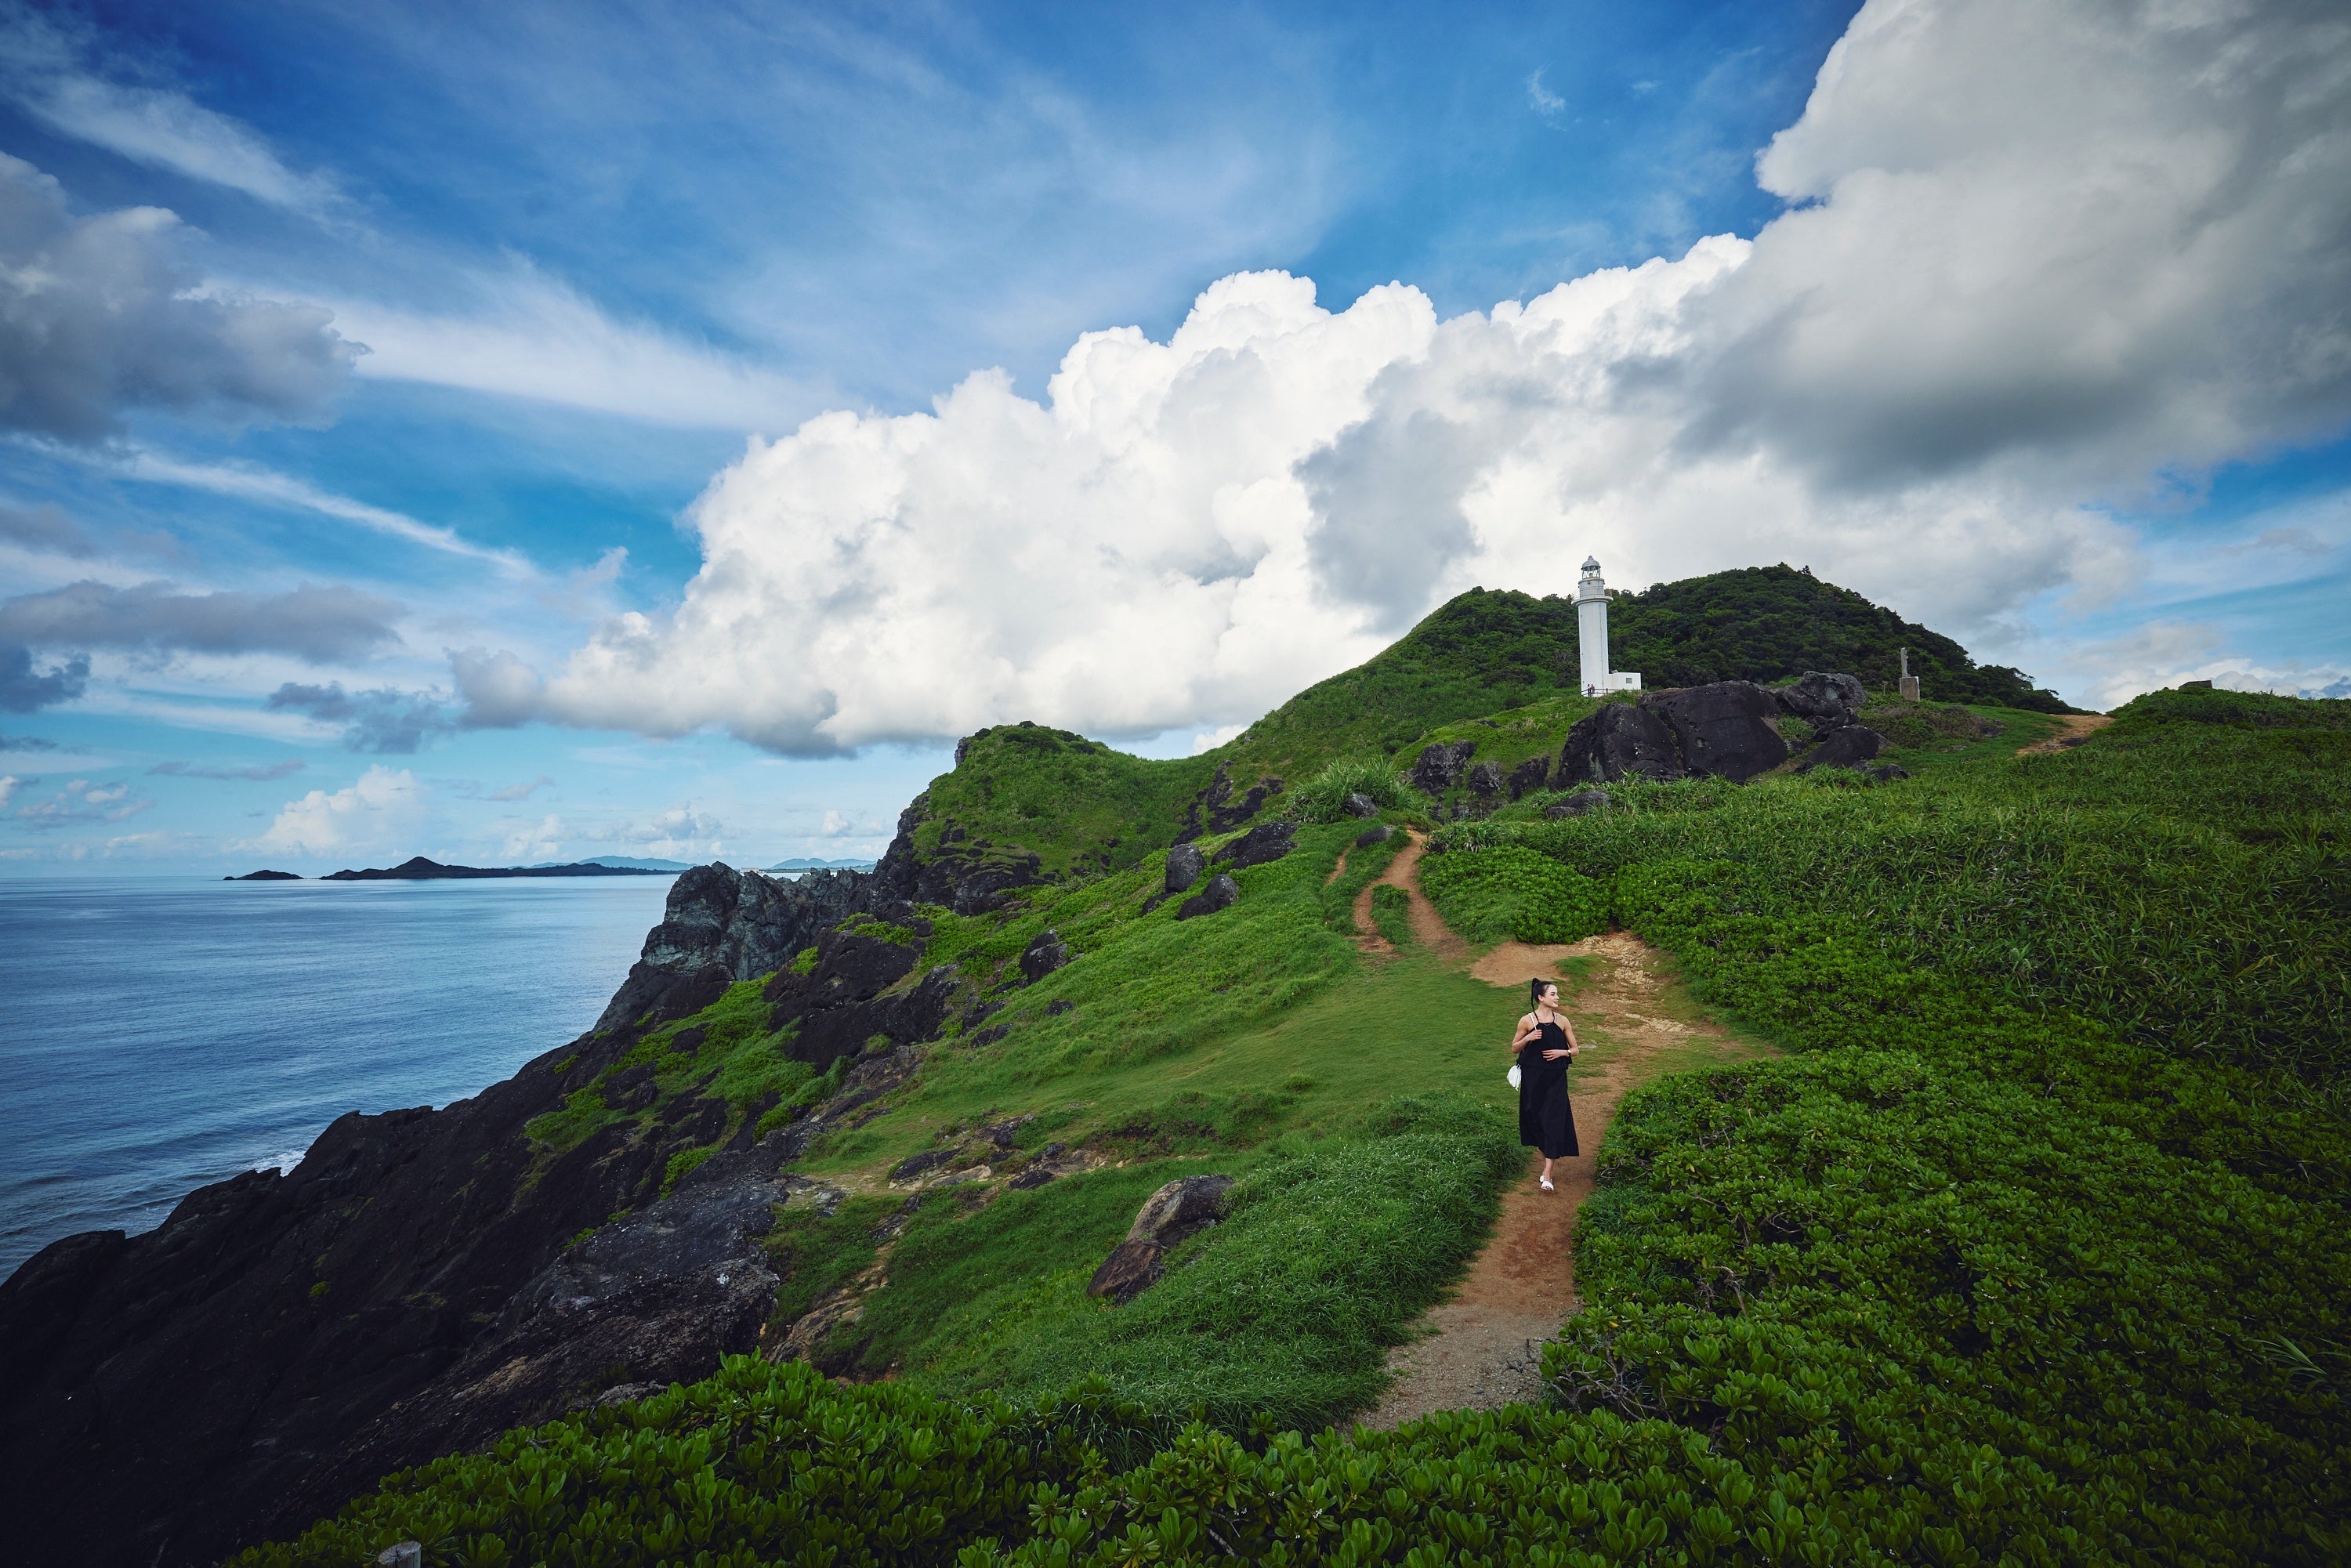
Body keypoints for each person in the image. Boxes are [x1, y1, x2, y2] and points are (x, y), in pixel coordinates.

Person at [1512, 978, 1580, 1192]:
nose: (1557, 997)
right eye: (1553, 994)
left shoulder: (1563, 1021)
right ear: (1540, 997)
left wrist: (1563, 1052)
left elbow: (1575, 1049)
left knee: (1553, 1120)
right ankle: (1546, 1166)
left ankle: (1548, 1174)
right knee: (1536, 1118)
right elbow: (1514, 1048)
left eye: (1557, 994)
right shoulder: (1526, 1021)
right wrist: (1529, 1038)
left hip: (1556, 1078)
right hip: (1533, 1079)